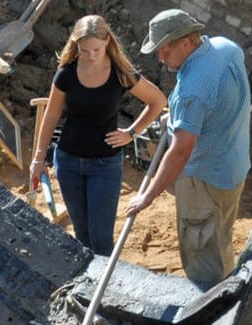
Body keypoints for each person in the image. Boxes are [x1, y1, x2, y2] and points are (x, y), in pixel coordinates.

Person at [125, 9, 252, 288]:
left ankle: (210, 312)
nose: (160, 58)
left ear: (186, 42)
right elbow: (218, 101)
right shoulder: (225, 48)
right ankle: (227, 287)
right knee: (220, 237)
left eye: (165, 50)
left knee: (203, 256)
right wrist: (178, 118)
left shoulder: (192, 90)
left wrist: (147, 196)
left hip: (203, 180)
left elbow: (181, 151)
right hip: (234, 167)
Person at [26, 16, 168, 257]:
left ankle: (103, 289)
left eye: (96, 50)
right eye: (84, 50)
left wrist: (131, 133)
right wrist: (38, 159)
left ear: (107, 42)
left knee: (101, 239)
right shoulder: (66, 74)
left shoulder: (121, 73)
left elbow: (158, 101)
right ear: (76, 45)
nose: (91, 56)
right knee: (82, 235)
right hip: (68, 162)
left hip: (105, 165)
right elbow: (50, 116)